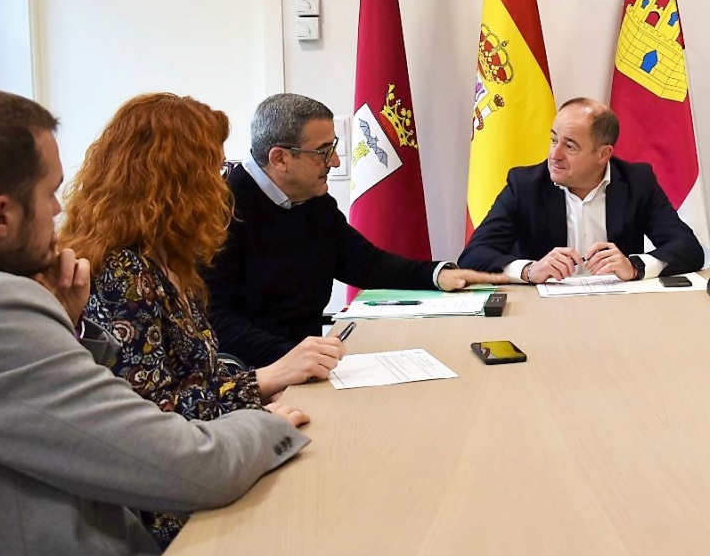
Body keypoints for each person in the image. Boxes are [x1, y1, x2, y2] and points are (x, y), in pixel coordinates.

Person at [0, 88, 310, 556]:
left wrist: (65, 327)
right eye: (48, 193)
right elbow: (188, 466)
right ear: (0, 216)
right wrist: (265, 424)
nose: (59, 210)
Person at [59, 93, 337, 545]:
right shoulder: (121, 273)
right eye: (212, 167)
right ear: (176, 181)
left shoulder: (169, 261)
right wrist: (263, 382)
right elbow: (149, 417)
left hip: (204, 458)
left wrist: (256, 394)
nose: (223, 180)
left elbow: (194, 377)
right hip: (167, 500)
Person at [206, 93, 504, 368]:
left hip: (311, 361)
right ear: (280, 158)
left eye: (334, 147)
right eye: (323, 151)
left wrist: (437, 275)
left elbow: (365, 263)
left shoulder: (312, 199)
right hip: (257, 371)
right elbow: (213, 319)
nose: (334, 161)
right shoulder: (219, 212)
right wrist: (291, 356)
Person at [458, 97, 703, 283]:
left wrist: (635, 266)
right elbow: (473, 256)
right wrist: (529, 270)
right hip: (543, 312)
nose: (554, 155)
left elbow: (688, 249)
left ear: (603, 154)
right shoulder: (525, 186)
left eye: (570, 146)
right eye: (554, 140)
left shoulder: (637, 182)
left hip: (617, 311)